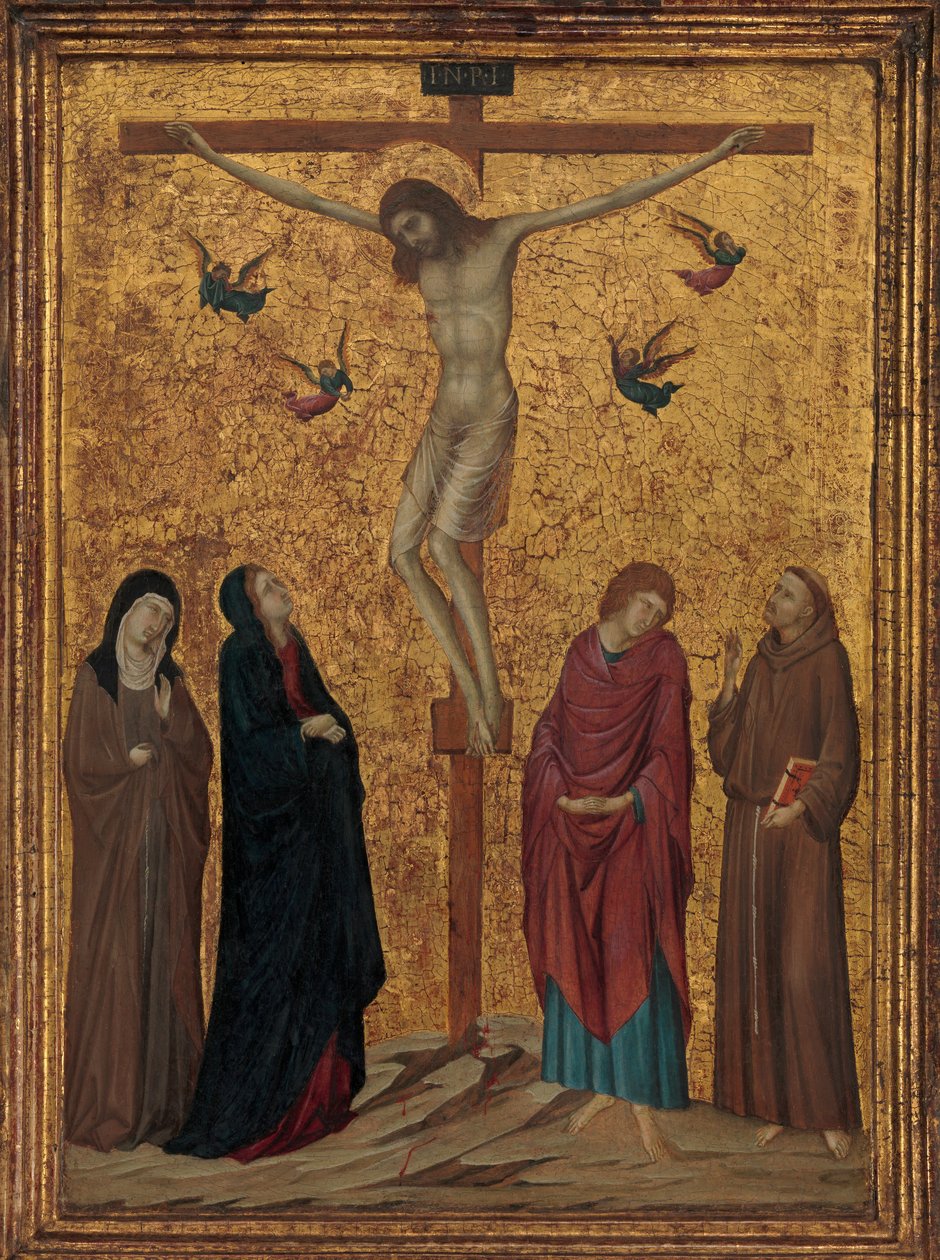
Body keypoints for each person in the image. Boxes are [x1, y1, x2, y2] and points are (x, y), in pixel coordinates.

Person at [164, 120, 764, 756]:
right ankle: (471, 689)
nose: (410, 239)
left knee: (444, 545)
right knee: (403, 553)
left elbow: (609, 199)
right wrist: (208, 153)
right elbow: (309, 199)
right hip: (443, 415)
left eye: (414, 225)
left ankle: (489, 694)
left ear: (437, 207)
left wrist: (714, 155)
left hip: (487, 414)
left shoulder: (502, 236)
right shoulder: (419, 255)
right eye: (400, 234)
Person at [165, 565, 386, 1161]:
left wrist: (330, 734)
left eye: (276, 583)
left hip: (319, 839)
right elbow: (250, 748)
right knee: (278, 968)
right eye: (267, 588)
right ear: (250, 607)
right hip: (274, 851)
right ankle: (268, 1110)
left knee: (322, 954)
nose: (281, 589)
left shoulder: (295, 647)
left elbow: (327, 714)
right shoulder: (241, 654)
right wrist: (305, 736)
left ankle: (323, 1099)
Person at [521, 562, 694, 1162]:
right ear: (622, 596)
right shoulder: (580, 654)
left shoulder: (665, 660)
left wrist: (628, 801)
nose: (649, 619)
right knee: (584, 951)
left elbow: (670, 753)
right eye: (645, 603)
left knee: (631, 949)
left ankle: (641, 1104)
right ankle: (600, 1087)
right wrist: (559, 797)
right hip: (574, 827)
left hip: (632, 833)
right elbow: (549, 731)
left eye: (659, 613)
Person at [708, 566, 862, 1160]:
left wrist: (798, 810)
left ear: (809, 612)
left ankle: (824, 1112)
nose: (773, 598)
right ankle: (774, 1107)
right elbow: (730, 756)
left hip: (799, 837)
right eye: (774, 589)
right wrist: (728, 684)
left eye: (786, 594)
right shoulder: (760, 662)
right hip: (749, 827)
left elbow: (839, 753)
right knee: (758, 965)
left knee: (802, 968)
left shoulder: (828, 661)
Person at [63, 569, 212, 1151]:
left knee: (161, 958)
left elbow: (199, 755)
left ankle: (160, 1108)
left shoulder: (170, 679)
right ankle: (112, 1107)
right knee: (117, 962)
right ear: (126, 610)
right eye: (152, 610)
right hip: (115, 855)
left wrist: (172, 720)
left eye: (167, 618)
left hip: (163, 845)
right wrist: (123, 762)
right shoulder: (96, 675)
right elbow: (80, 762)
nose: (157, 624)